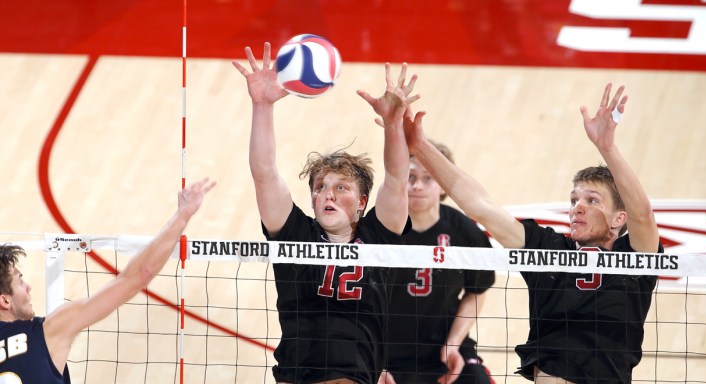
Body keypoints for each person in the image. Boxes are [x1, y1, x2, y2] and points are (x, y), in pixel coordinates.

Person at [402, 84, 661, 383]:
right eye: (574, 199)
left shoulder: (635, 259)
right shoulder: (548, 249)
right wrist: (420, 147)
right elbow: (480, 206)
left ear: (619, 218)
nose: (577, 207)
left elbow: (643, 214)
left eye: (592, 201)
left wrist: (607, 148)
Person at [232, 42, 417, 384]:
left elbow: (395, 179)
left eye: (341, 187)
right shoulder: (294, 235)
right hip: (293, 374)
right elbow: (265, 173)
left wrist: (393, 124)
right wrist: (261, 106)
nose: (326, 195)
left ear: (362, 202)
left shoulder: (379, 236)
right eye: (319, 187)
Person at [0, 178, 216, 383]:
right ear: (5, 301)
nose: (28, 287)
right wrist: (183, 215)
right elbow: (139, 275)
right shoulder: (48, 333)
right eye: (20, 282)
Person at [380, 141, 495, 384]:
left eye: (428, 178)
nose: (417, 185)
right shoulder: (378, 229)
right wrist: (373, 359)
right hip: (385, 352)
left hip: (443, 349)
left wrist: (452, 344)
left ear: (443, 186)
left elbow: (477, 291)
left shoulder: (465, 232)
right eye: (410, 176)